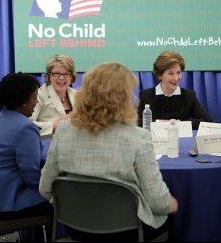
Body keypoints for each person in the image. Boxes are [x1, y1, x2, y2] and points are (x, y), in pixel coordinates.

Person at [39, 62, 178, 241]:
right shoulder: (139, 137)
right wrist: (172, 204)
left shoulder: (63, 130)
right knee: (172, 219)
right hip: (127, 231)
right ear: (124, 97)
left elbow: (45, 189)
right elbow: (158, 202)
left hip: (75, 227)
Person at [0, 72, 52, 240]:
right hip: (8, 204)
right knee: (61, 199)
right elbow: (32, 177)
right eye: (34, 98)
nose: (36, 102)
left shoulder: (0, 119)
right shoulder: (25, 128)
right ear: (23, 101)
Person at [137, 50, 211, 130]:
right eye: (171, 73)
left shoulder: (189, 96)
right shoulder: (146, 96)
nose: (176, 78)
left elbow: (206, 121)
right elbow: (137, 122)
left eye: (178, 73)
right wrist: (160, 123)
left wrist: (179, 124)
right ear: (159, 75)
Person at [30, 54, 77, 137]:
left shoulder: (77, 95)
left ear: (71, 76)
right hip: (46, 147)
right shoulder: (39, 94)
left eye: (66, 74)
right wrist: (55, 125)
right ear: (49, 76)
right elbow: (28, 126)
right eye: (56, 73)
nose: (62, 78)